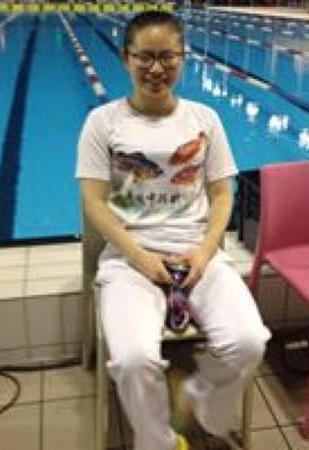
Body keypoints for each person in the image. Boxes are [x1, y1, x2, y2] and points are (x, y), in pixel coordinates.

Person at [76, 11, 271, 450]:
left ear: (183, 58)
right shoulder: (102, 122)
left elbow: (222, 194)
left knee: (249, 342)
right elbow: (94, 203)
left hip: (198, 255)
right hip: (130, 259)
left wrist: (204, 253)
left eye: (167, 56)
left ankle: (203, 400)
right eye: (144, 57)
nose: (156, 68)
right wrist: (140, 257)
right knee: (132, 359)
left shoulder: (205, 119)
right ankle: (157, 441)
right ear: (126, 58)